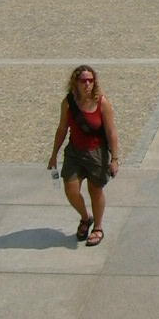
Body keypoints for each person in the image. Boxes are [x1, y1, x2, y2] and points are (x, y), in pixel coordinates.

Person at [48, 65, 120, 248]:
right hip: (74, 152)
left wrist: (115, 159)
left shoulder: (102, 102)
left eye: (90, 80)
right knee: (71, 190)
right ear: (75, 83)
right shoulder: (68, 103)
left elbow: (111, 132)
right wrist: (54, 154)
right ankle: (85, 217)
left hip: (97, 153)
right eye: (83, 80)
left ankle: (98, 227)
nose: (87, 84)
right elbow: (62, 128)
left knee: (95, 191)